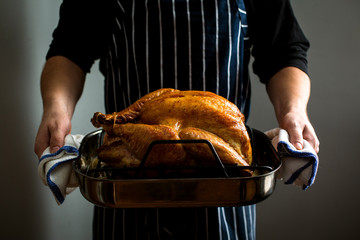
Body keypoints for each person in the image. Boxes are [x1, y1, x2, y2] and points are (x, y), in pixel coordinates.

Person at [34, 0, 320, 239]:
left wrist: (293, 111)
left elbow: (284, 52)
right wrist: (56, 109)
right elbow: (70, 49)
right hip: (127, 192)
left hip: (226, 196)